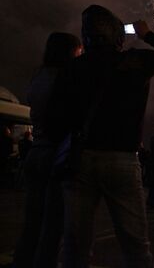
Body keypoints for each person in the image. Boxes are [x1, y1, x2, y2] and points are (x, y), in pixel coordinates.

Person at [45, 5, 154, 267]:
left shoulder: (73, 67)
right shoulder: (134, 61)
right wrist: (147, 34)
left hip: (79, 159)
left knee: (75, 249)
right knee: (136, 249)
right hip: (122, 160)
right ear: (116, 35)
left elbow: (55, 118)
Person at [13, 32, 82, 268]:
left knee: (32, 221)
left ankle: (22, 262)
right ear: (70, 52)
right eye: (78, 51)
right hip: (55, 154)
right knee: (53, 223)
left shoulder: (39, 75)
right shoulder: (64, 79)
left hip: (37, 151)